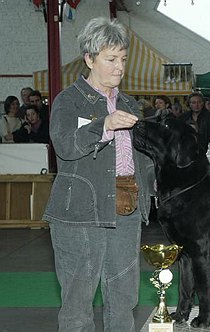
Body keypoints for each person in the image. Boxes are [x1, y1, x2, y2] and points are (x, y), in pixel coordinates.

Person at [42, 17, 154, 331]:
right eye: (111, 59)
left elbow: (143, 158)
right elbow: (65, 146)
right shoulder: (68, 100)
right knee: (78, 305)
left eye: (123, 59)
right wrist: (103, 125)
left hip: (126, 208)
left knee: (124, 301)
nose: (119, 67)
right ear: (90, 59)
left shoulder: (130, 102)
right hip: (80, 212)